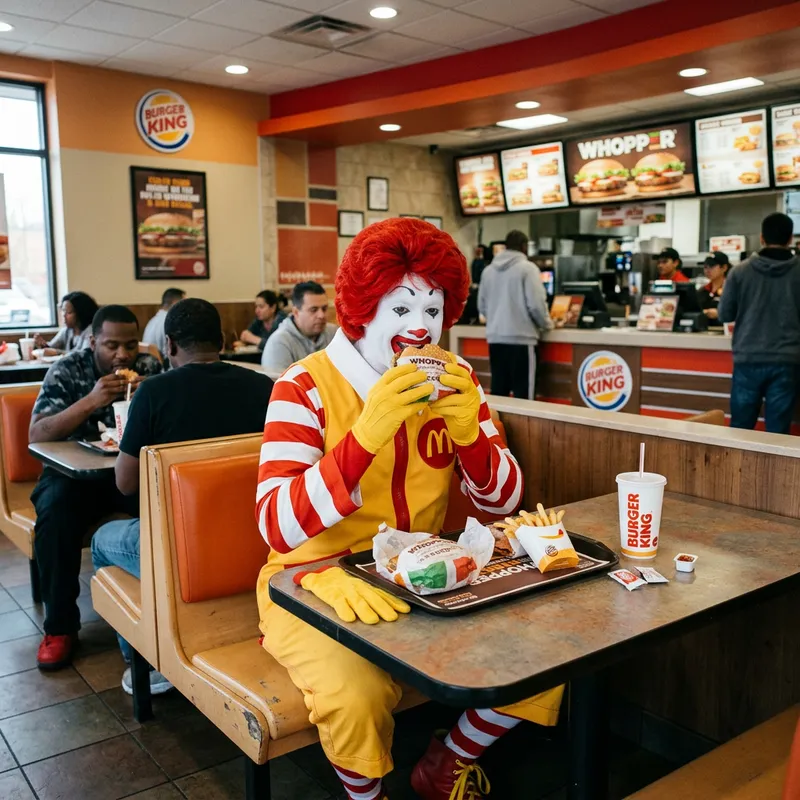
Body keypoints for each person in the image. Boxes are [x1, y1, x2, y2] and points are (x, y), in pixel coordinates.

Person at [256, 218, 562, 800]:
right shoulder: (304, 387)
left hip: (429, 572)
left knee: (546, 650)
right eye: (400, 310)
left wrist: (471, 432)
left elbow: (505, 501)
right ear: (362, 308)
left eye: (433, 309)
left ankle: (448, 759)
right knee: (356, 694)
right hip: (310, 581)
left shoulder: (457, 376)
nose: (420, 327)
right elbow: (276, 523)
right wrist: (363, 438)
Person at [91, 298, 273, 695]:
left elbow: (125, 484)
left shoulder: (153, 393)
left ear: (169, 344)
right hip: (258, 538)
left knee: (102, 541)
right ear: (223, 340)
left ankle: (146, 660)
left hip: (180, 550)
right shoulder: (264, 386)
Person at [29, 305, 162, 670]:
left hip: (128, 473)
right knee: (54, 516)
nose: (122, 354)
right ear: (92, 342)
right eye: (111, 345)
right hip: (71, 477)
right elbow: (37, 433)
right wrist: (92, 400)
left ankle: (162, 617)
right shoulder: (68, 369)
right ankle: (60, 627)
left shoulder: (149, 369)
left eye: (131, 344)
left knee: (170, 509)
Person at [720, 212, 800, 434]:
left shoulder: (739, 272)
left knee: (740, 430)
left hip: (748, 358)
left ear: (762, 238)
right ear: (790, 238)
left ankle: (735, 470)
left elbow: (724, 313)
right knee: (778, 433)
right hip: (787, 360)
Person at [477, 230, 552, 400]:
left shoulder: (488, 271)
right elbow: (536, 305)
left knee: (499, 395)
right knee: (525, 398)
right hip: (522, 340)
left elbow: (481, 306)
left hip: (495, 340)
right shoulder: (528, 269)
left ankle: (497, 427)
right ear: (524, 247)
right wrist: (548, 324)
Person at [260, 281, 336, 372]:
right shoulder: (279, 343)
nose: (321, 315)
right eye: (313, 310)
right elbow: (278, 384)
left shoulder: (335, 333)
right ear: (296, 312)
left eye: (324, 309)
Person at [35, 291, 99, 353]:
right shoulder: (66, 330)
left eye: (68, 312)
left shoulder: (90, 331)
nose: (64, 315)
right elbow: (51, 347)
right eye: (63, 311)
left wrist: (58, 352)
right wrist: (43, 345)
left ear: (81, 313)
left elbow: (84, 355)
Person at [142, 287, 186, 357]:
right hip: (163, 366)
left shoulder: (153, 321)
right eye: (184, 304)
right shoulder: (170, 322)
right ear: (176, 303)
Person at [699, 252, 730, 325]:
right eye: (705, 267)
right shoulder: (702, 290)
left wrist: (720, 313)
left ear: (724, 268)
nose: (708, 270)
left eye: (712, 266)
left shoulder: (731, 289)